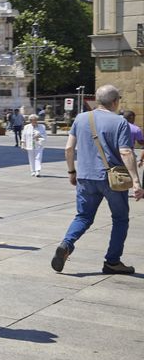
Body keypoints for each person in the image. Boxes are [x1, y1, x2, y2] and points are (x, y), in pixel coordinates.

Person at [52, 85, 144, 275]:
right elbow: (126, 151)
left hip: (85, 177)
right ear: (115, 101)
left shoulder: (81, 118)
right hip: (112, 179)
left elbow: (69, 149)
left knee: (83, 216)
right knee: (120, 219)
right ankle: (112, 261)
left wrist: (71, 172)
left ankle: (66, 245)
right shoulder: (120, 122)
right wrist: (136, 181)